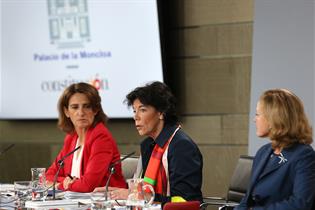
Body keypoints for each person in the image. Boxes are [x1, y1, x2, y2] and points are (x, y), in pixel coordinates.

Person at [94, 81, 203, 203]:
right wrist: (117, 192)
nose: (136, 117)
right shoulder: (148, 145)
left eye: (142, 110)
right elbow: (144, 190)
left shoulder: (181, 147)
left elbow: (185, 201)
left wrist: (132, 195)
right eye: (135, 111)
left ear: (161, 112)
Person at [235, 89, 315, 210]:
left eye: (257, 114)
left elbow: (300, 204)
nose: (254, 119)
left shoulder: (303, 156)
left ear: (274, 118)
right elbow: (247, 199)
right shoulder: (263, 152)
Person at [46, 82, 126, 192]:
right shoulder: (71, 138)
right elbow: (48, 176)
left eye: (87, 106)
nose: (81, 113)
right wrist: (66, 181)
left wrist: (61, 185)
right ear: (66, 112)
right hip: (76, 202)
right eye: (75, 107)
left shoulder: (101, 137)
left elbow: (88, 185)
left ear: (96, 110)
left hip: (107, 203)